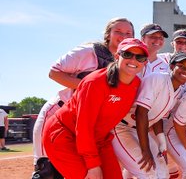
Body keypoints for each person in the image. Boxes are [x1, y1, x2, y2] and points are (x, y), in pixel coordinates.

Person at [32, 17, 134, 165]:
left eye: (128, 33)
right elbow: (54, 72)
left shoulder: (128, 62)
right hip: (58, 113)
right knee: (46, 169)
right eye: (118, 31)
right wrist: (90, 87)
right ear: (108, 35)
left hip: (86, 124)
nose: (123, 36)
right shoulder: (89, 51)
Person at [42, 38, 147, 178]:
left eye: (140, 57)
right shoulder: (95, 82)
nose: (134, 60)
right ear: (117, 56)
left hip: (98, 139)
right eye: (127, 54)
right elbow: (84, 126)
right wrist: (92, 165)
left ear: (145, 62)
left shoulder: (136, 84)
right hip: (65, 134)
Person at [112, 52, 186, 178]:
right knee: (147, 171)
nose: (185, 70)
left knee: (163, 173)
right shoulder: (157, 78)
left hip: (139, 130)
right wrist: (145, 150)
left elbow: (157, 117)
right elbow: (141, 113)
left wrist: (161, 143)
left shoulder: (178, 90)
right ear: (172, 66)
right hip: (122, 127)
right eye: (181, 66)